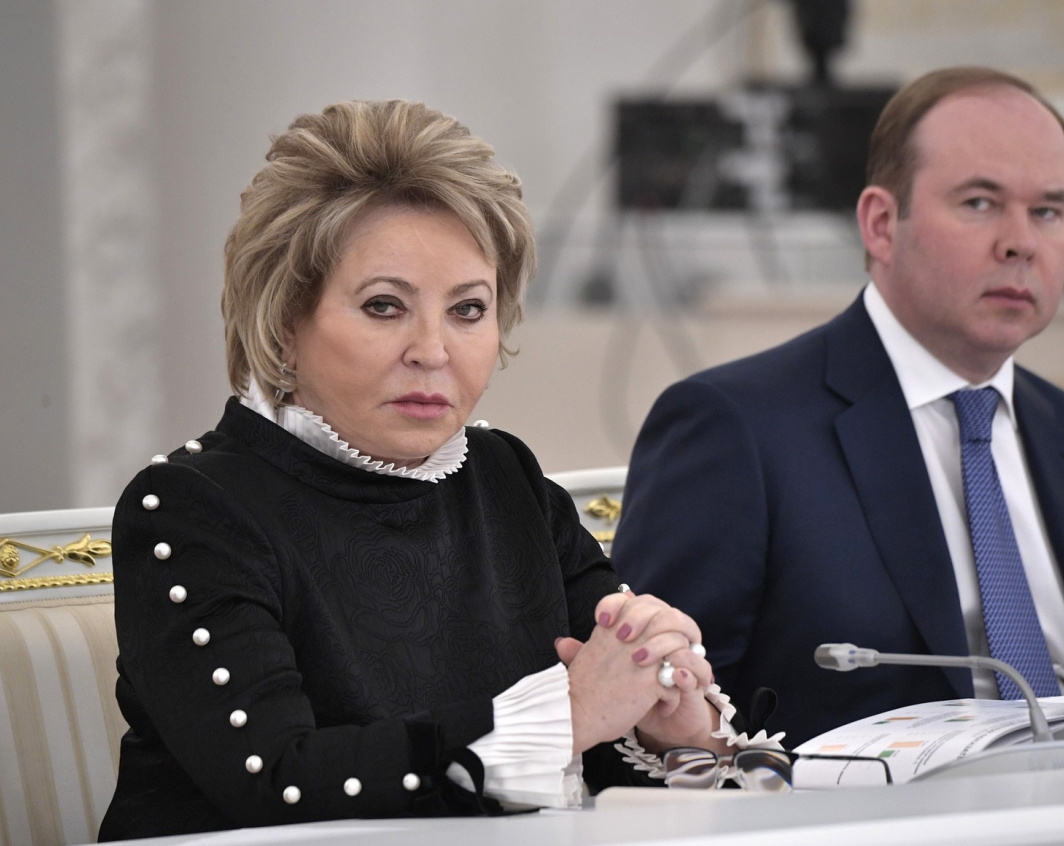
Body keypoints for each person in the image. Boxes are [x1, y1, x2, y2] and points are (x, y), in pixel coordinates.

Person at [100, 100, 781, 840]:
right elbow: (278, 784)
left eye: (468, 310)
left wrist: (672, 726)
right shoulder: (192, 508)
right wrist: (570, 713)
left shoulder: (504, 476)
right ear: (285, 321)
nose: (432, 350)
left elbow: (591, 759)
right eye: (384, 306)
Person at [613, 67, 1064, 745]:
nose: (1021, 242)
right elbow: (643, 722)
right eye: (980, 203)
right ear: (880, 224)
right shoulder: (734, 427)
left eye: (1047, 211)